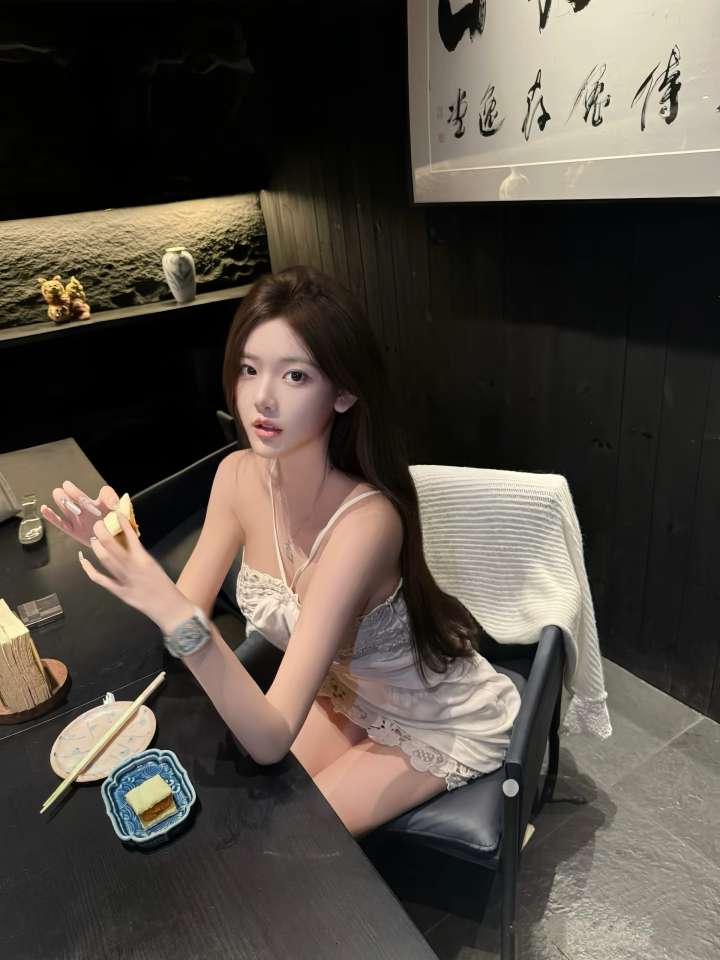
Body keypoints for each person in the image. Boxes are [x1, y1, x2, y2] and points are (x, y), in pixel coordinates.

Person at [40, 265, 521, 838]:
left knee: (293, 839)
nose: (262, 397)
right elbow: (183, 627)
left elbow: (266, 736)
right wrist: (125, 551)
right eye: (249, 369)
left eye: (295, 376)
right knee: (247, 818)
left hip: (433, 716)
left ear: (343, 392)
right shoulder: (236, 476)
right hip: (343, 690)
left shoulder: (366, 525)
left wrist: (169, 608)